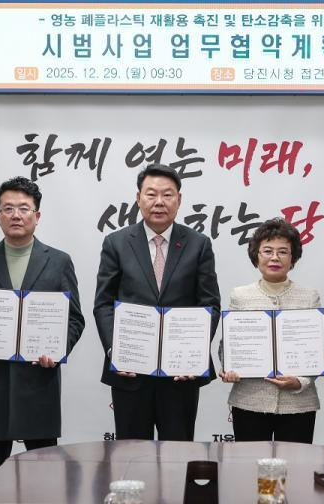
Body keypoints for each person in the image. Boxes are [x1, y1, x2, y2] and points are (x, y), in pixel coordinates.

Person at [0, 176, 85, 484]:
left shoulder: (59, 261)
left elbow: (74, 319)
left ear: (37, 216)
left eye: (24, 208)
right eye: (8, 208)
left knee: (45, 482)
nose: (16, 215)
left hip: (39, 383)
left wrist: (57, 350)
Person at [93, 163, 220, 441]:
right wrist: (115, 350)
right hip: (130, 371)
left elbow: (209, 305)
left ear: (179, 199)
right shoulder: (116, 243)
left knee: (178, 452)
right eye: (151, 194)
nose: (159, 202)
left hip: (180, 375)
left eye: (167, 194)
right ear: (138, 198)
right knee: (131, 454)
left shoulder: (198, 244)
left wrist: (194, 353)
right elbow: (104, 303)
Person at [220, 218, 321, 443]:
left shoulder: (309, 297)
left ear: (293, 258)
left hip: (299, 404)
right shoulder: (240, 296)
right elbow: (228, 344)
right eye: (267, 251)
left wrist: (301, 381)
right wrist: (229, 368)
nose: (275, 257)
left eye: (283, 251)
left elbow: (316, 349)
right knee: (249, 463)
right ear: (256, 255)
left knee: (297, 463)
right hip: (250, 400)